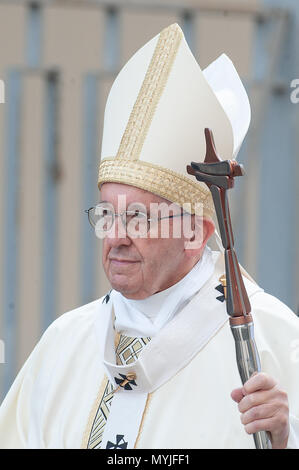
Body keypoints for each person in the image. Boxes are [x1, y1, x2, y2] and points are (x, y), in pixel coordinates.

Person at [0, 23, 299, 450]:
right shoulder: (64, 344)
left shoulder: (274, 340)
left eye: (138, 218)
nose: (115, 237)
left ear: (196, 232)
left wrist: (285, 441)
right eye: (107, 214)